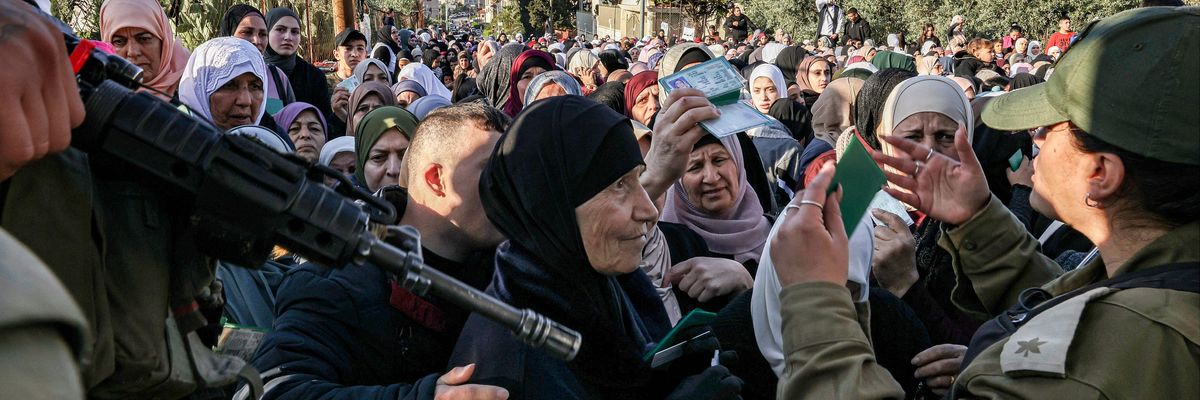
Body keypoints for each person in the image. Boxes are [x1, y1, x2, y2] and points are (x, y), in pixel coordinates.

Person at [773, 6, 1199, 399]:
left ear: (1101, 174)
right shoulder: (1153, 272)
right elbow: (1064, 299)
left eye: (1049, 127)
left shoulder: (1093, 370)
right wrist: (977, 220)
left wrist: (815, 304)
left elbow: (1087, 341)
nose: (1035, 140)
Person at [449, 95, 743, 399]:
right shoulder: (514, 354)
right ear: (554, 205)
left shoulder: (597, 281)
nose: (649, 209)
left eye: (637, 180)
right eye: (619, 186)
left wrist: (674, 366)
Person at [245, 103, 512, 400]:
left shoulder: (503, 265)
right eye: (492, 170)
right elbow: (268, 390)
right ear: (436, 180)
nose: (509, 186)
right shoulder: (338, 281)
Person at [266, 8, 336, 138]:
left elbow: (324, 121)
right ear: (267, 32)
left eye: (295, 32)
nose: (288, 37)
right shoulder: (256, 73)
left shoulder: (314, 77)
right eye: (280, 29)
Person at [99, 0, 190, 99]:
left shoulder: (194, 85)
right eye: (119, 42)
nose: (132, 52)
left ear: (164, 42)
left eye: (144, 39)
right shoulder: (97, 97)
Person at [179, 37, 269, 132]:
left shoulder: (274, 143)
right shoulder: (169, 137)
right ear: (199, 93)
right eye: (228, 85)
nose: (245, 101)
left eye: (255, 86)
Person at [219, 4, 295, 115]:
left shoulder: (276, 76)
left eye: (263, 34)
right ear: (228, 34)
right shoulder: (213, 78)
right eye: (247, 32)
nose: (256, 40)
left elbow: (289, 122)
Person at [746, 64, 805, 202]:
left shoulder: (798, 118)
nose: (763, 97)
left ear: (781, 88)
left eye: (770, 90)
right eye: (756, 91)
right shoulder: (744, 129)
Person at [354, 106, 419, 192]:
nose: (394, 170)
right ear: (361, 164)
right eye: (378, 157)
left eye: (405, 156)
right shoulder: (340, 204)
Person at [328, 28, 369, 126]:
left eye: (360, 48)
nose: (355, 54)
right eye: (348, 48)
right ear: (336, 54)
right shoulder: (323, 84)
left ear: (366, 54)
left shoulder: (370, 83)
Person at [502, 49, 557, 116]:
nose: (536, 83)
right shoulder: (504, 123)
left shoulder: (568, 116)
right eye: (527, 77)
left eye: (543, 75)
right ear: (515, 84)